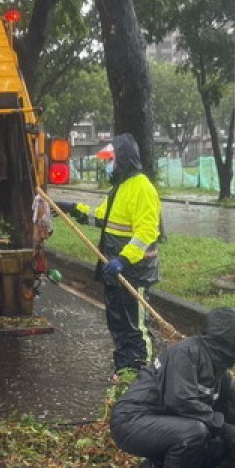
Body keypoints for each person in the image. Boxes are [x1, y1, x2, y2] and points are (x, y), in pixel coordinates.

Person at [109, 307, 235, 468]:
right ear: (230, 343)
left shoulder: (216, 364)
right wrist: (224, 427)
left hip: (159, 422)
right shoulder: (186, 354)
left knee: (217, 442)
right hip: (132, 422)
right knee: (195, 432)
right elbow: (180, 401)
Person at [57, 133, 162, 375]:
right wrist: (74, 209)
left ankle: (142, 377)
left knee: (136, 329)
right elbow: (102, 218)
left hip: (134, 272)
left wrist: (124, 260)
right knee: (120, 327)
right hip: (116, 271)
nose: (107, 165)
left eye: (110, 160)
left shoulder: (142, 188)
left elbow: (146, 232)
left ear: (122, 159)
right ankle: (125, 371)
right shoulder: (121, 188)